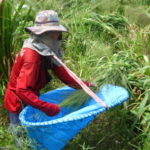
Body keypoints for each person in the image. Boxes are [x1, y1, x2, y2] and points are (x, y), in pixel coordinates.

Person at [4, 10, 96, 144]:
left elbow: (63, 74)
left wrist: (84, 86)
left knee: (33, 133)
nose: (54, 35)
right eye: (48, 32)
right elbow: (22, 91)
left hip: (32, 95)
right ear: (38, 33)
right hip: (19, 101)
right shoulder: (33, 55)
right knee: (22, 136)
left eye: (56, 31)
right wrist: (48, 107)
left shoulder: (45, 50)